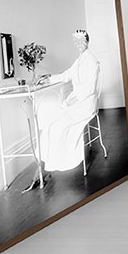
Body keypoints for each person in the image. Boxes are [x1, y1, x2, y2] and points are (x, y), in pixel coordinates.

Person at [23, 30, 101, 191]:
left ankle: (52, 165)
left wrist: (75, 99)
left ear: (87, 41)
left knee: (58, 126)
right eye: (76, 42)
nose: (79, 44)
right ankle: (44, 165)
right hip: (75, 102)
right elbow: (66, 75)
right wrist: (47, 78)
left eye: (81, 41)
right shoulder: (79, 61)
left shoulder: (92, 61)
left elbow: (90, 88)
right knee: (49, 123)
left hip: (85, 104)